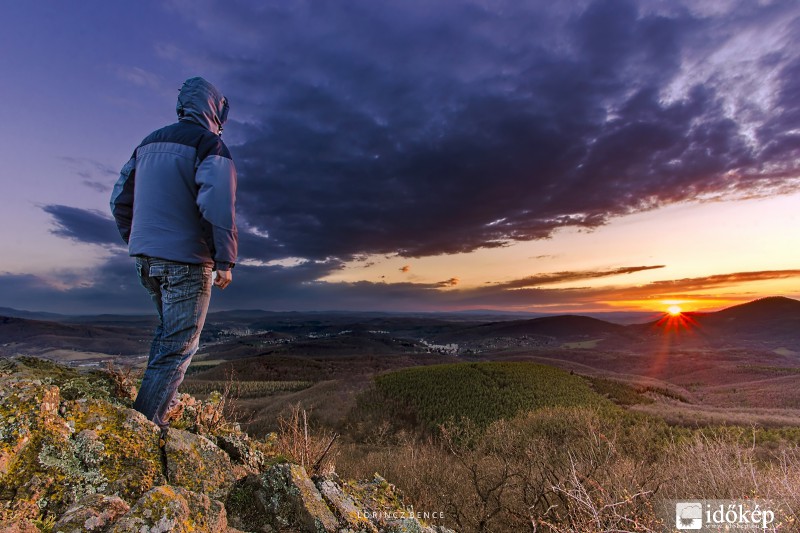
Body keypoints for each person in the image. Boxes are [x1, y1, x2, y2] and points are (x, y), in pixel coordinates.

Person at [110, 77, 238, 440]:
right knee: (178, 347)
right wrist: (225, 260)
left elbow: (119, 200)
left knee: (168, 338)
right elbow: (217, 204)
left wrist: (139, 240)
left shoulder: (147, 144)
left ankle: (147, 415)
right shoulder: (209, 145)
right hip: (186, 261)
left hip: (147, 259)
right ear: (214, 110)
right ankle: (143, 432)